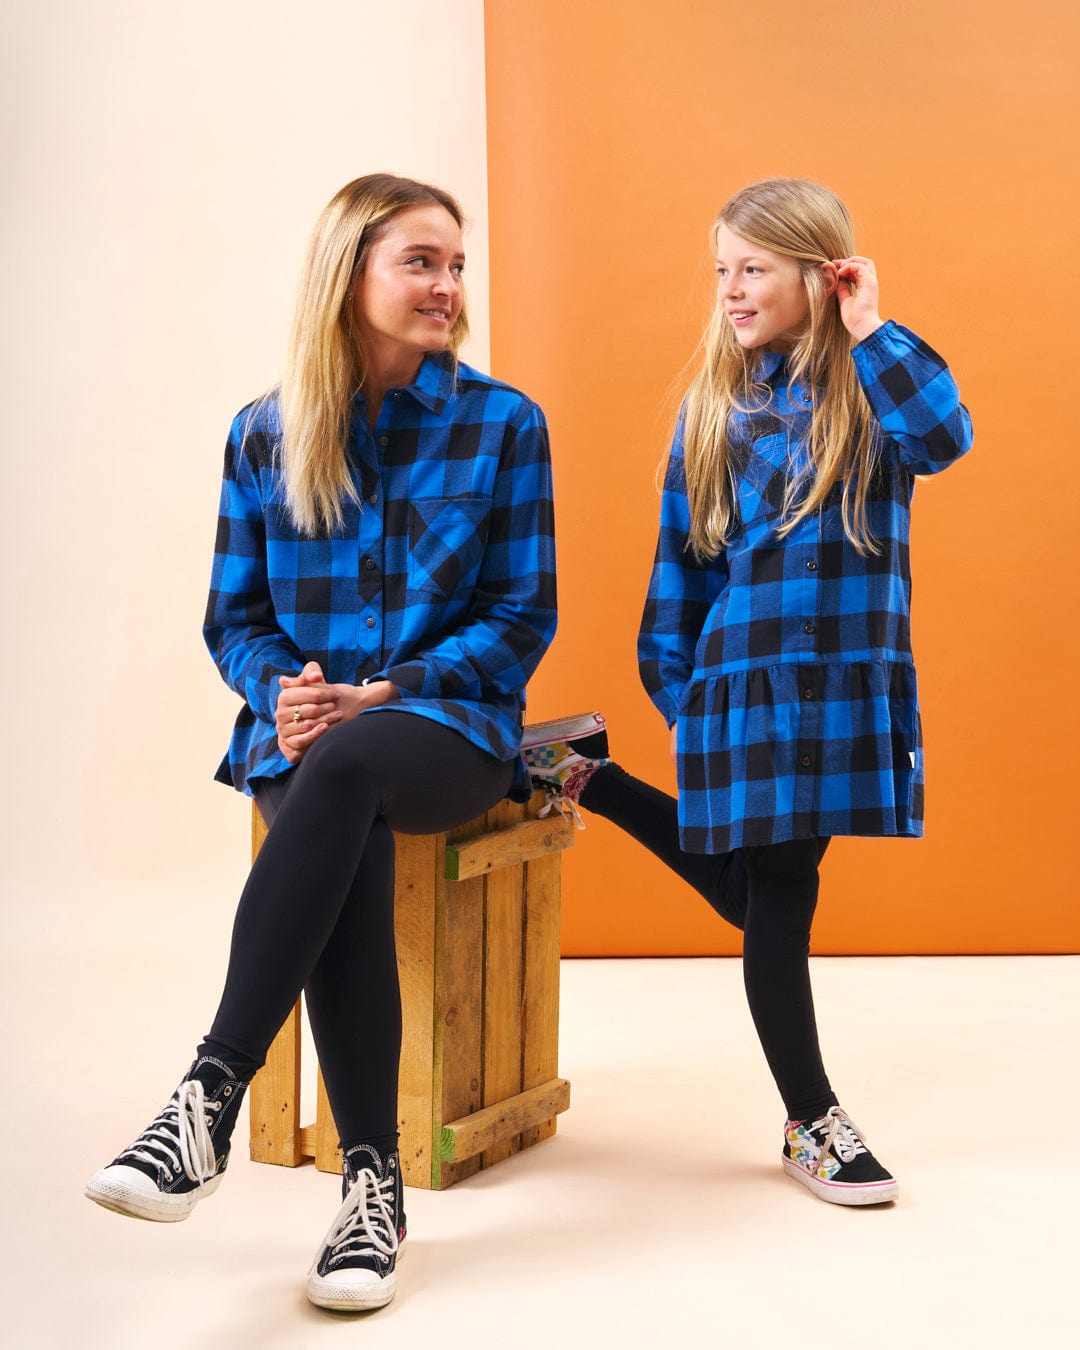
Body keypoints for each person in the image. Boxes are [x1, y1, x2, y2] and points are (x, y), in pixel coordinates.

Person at [86, 173, 557, 1309]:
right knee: (331, 802)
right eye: (422, 262)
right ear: (350, 273)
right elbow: (234, 619)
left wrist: (388, 686)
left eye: (455, 264)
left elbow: (520, 619)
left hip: (449, 728)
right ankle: (371, 1196)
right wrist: (281, 690)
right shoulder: (264, 433)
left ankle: (205, 1096)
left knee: (346, 766)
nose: (449, 285)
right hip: (302, 743)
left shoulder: (505, 425)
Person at [524, 178, 972, 1206]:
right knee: (779, 891)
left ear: (823, 273)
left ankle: (580, 775)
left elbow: (945, 440)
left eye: (754, 269)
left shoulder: (878, 384)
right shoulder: (716, 407)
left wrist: (870, 324)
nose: (730, 290)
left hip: (846, 682)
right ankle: (811, 1120)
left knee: (758, 887)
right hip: (743, 680)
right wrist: (681, 692)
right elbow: (681, 560)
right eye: (722, 270)